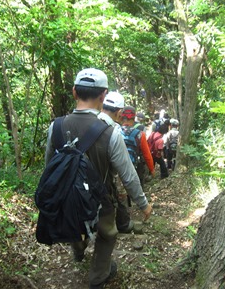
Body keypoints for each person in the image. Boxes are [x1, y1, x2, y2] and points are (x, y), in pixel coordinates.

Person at [44, 68, 152, 289]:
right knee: (107, 234)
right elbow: (128, 174)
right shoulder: (110, 132)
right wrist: (143, 204)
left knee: (75, 224)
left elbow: (49, 167)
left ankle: (78, 247)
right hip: (99, 198)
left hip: (66, 195)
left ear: (74, 92)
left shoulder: (55, 126)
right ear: (103, 96)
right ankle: (98, 277)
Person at [97, 92, 134, 234]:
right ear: (119, 112)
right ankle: (122, 224)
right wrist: (143, 204)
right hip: (108, 180)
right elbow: (127, 172)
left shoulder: (87, 124)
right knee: (119, 198)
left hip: (84, 183)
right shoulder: (114, 131)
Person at [120, 106, 155, 189]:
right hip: (135, 167)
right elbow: (147, 154)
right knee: (138, 186)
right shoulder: (140, 134)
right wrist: (152, 169)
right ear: (133, 118)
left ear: (121, 117)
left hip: (118, 168)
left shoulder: (115, 131)